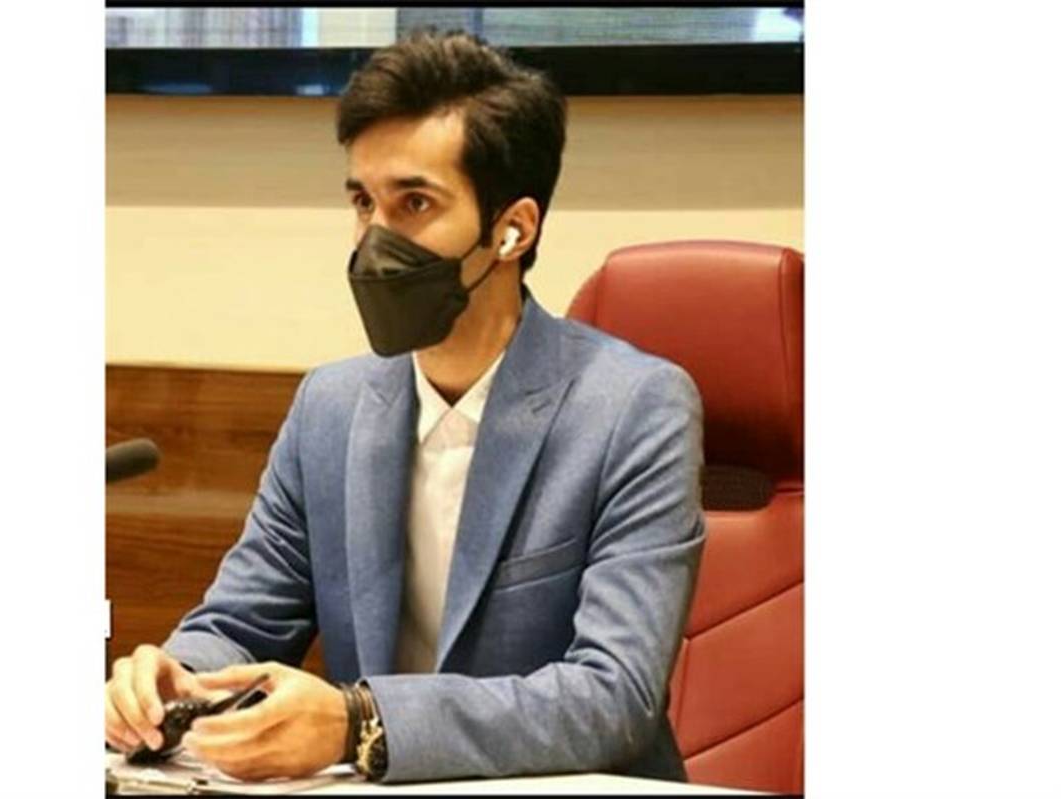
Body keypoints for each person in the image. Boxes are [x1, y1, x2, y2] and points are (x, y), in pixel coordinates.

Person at [104, 29, 705, 785]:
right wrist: (174, 682)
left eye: (414, 202)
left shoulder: (634, 408)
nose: (374, 240)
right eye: (364, 201)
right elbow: (240, 622)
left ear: (513, 228)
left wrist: (362, 723)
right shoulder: (330, 406)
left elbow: (613, 696)